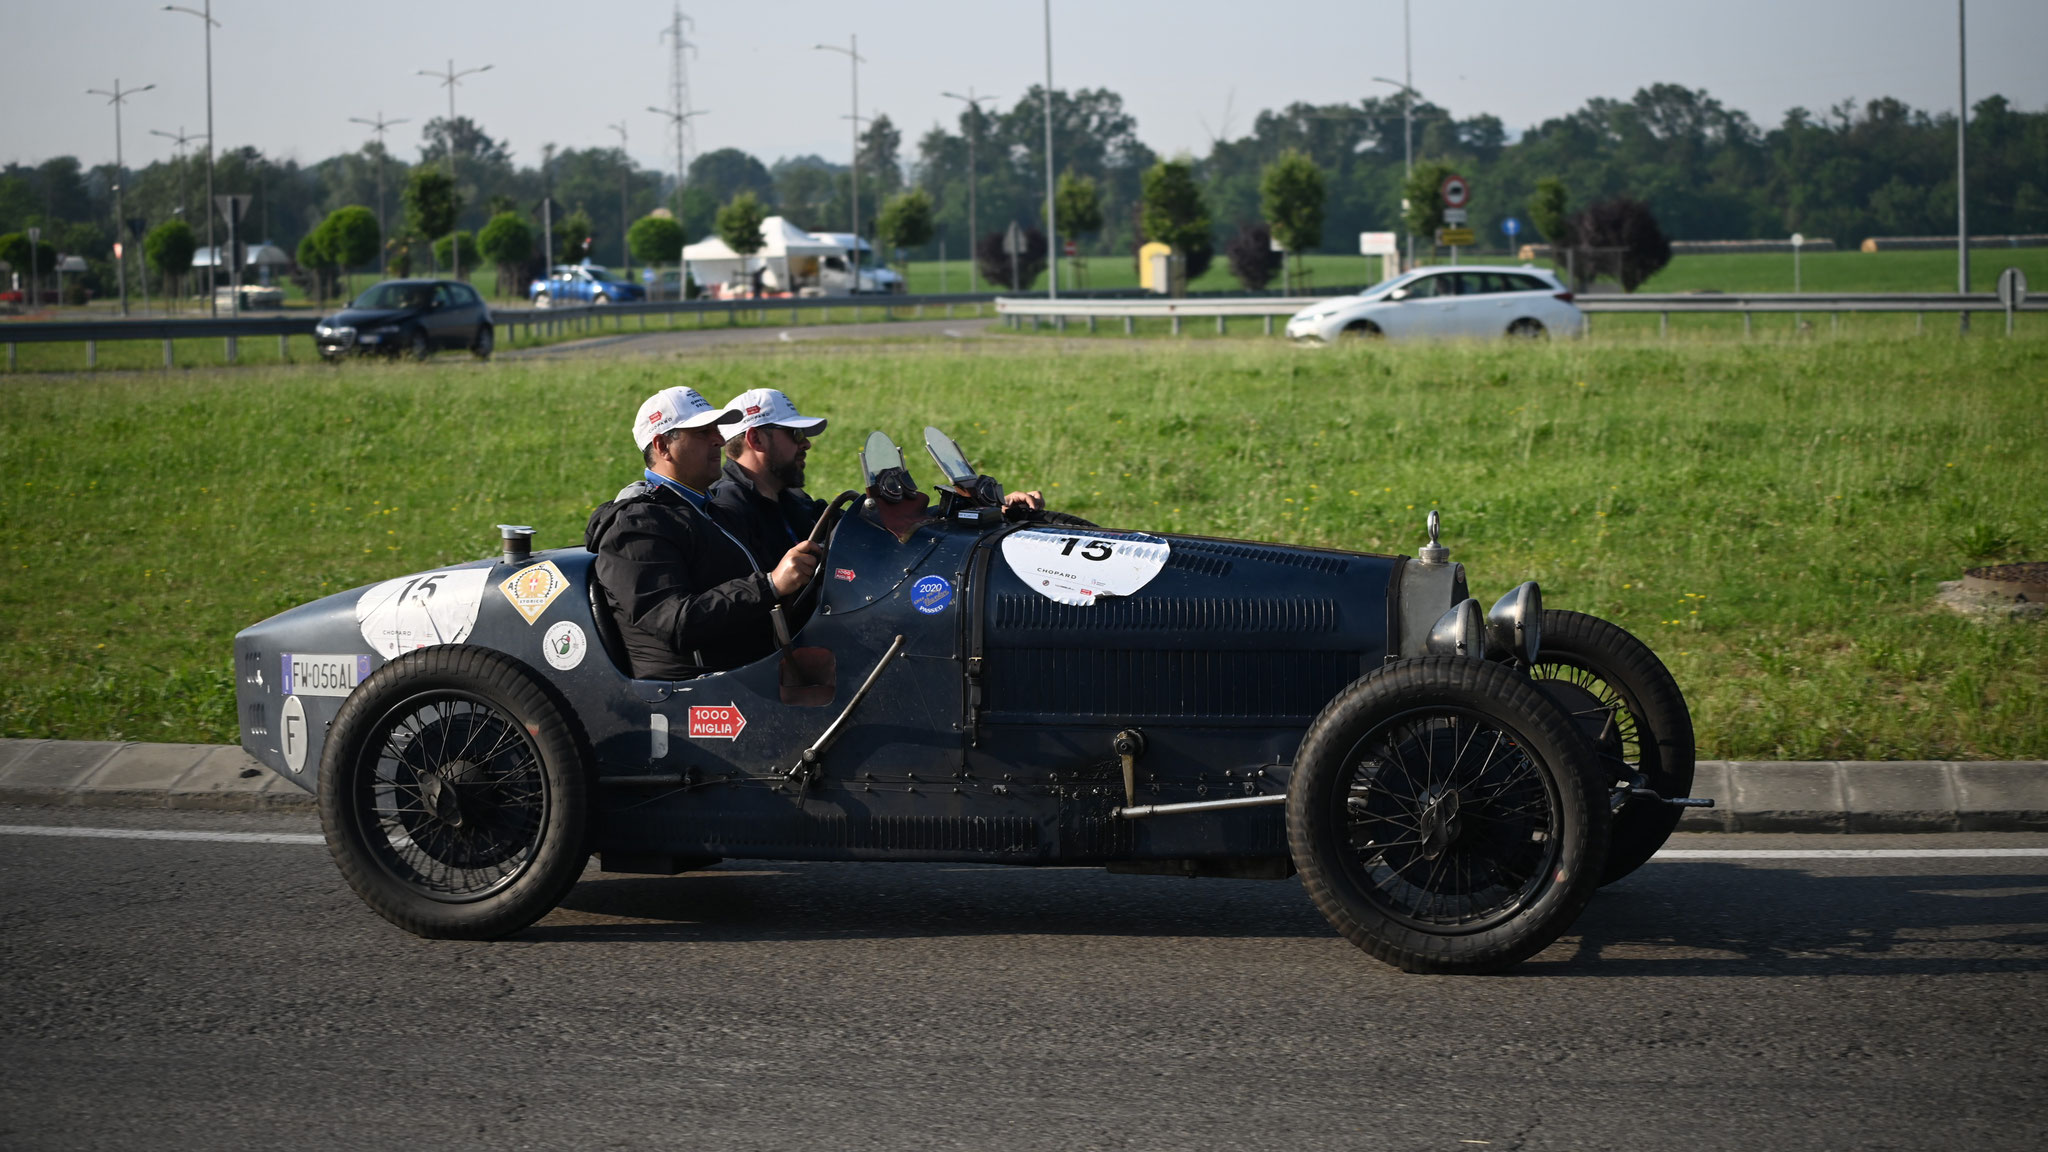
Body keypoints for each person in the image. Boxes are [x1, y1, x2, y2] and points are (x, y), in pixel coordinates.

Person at [585, 385, 822, 679]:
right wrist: (770, 585)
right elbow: (675, 623)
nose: (719, 440)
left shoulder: (712, 510)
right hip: (698, 693)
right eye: (702, 432)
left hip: (756, 671)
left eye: (716, 430)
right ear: (662, 446)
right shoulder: (635, 525)